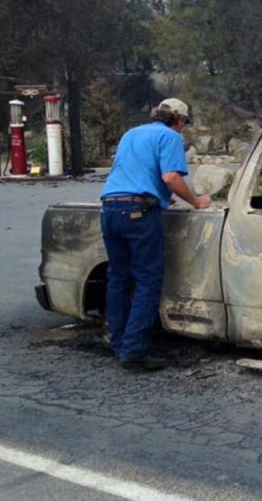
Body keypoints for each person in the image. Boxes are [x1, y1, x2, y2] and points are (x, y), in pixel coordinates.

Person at [99, 98, 211, 372]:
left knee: (118, 278)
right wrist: (196, 201)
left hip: (111, 208)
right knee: (147, 280)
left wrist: (161, 197)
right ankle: (134, 352)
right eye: (184, 123)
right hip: (138, 214)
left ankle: (119, 343)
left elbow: (130, 174)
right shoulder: (170, 137)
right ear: (179, 120)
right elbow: (171, 177)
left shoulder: (131, 133)